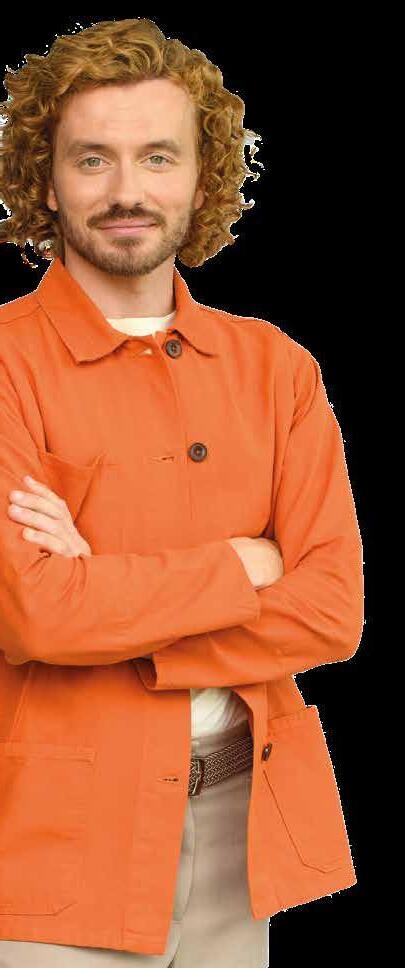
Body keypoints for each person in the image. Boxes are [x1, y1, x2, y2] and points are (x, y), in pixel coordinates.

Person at [0, 17, 364, 968]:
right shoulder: (3, 366)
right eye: (93, 159)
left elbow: (331, 612)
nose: (126, 190)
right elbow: (34, 614)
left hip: (246, 825)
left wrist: (105, 597)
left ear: (202, 178)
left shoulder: (276, 369)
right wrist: (244, 565)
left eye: (157, 156)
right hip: (54, 838)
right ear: (47, 180)